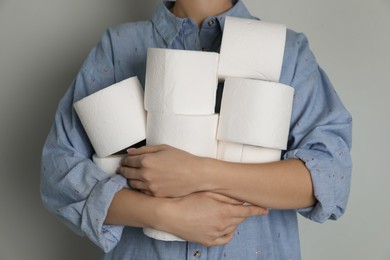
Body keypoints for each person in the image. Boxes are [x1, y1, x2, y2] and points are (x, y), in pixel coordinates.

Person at [40, 0, 352, 259]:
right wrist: (163, 215)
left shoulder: (286, 51)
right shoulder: (117, 48)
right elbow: (59, 174)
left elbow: (330, 178)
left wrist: (199, 173)